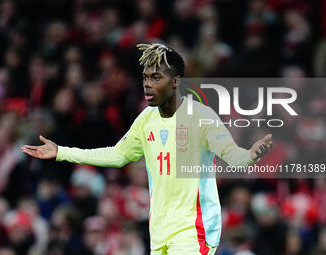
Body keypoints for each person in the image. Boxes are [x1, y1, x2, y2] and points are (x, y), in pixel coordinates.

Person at [21, 42, 273, 255]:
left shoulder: (201, 117)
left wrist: (250, 154)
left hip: (194, 229)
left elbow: (231, 154)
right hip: (159, 231)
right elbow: (117, 155)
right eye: (145, 78)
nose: (147, 84)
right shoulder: (145, 120)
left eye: (156, 78)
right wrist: (62, 152)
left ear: (175, 82)